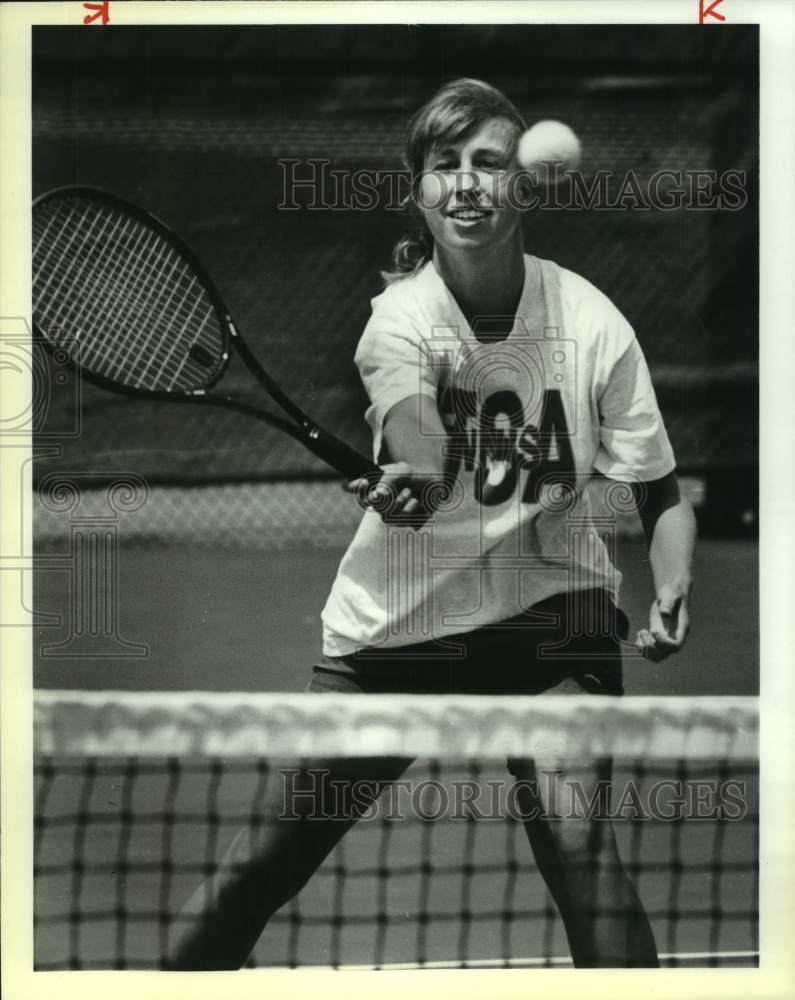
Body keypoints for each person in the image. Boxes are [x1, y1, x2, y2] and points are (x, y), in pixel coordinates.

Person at [166, 78, 696, 970]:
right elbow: (413, 421)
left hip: (552, 611)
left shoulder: (592, 321)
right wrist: (415, 470)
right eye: (443, 165)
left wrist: (674, 581)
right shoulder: (400, 319)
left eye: (488, 162)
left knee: (581, 847)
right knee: (265, 859)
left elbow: (659, 491)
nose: (466, 183)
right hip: (401, 626)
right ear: (418, 189)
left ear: (522, 184)